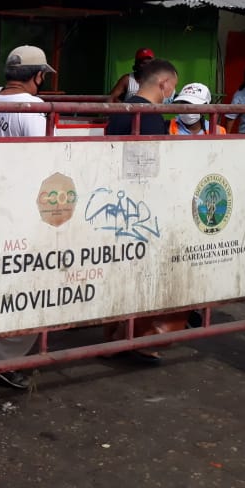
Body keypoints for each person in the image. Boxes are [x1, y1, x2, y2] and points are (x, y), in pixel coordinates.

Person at [0, 46, 57, 390]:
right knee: (36, 288)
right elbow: (42, 162)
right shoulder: (34, 107)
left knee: (2, 285)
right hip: (14, 210)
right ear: (37, 76)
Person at [105, 58, 182, 359]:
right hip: (141, 211)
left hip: (117, 205)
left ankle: (112, 338)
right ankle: (131, 340)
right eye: (172, 87)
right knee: (140, 279)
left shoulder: (122, 112)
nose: (171, 93)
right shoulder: (149, 118)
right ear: (164, 84)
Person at [105, 58, 178, 137]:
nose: (174, 91)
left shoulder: (118, 112)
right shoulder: (152, 118)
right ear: (164, 83)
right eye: (174, 86)